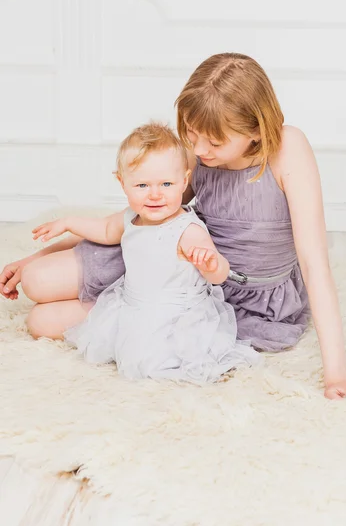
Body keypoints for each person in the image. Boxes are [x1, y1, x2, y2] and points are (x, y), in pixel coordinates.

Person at [0, 53, 346, 403]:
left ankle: (121, 318)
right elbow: (140, 213)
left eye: (214, 143)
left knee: (46, 321)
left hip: (223, 288)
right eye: (191, 134)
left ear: (255, 130)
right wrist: (39, 253)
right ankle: (106, 297)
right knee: (36, 281)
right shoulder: (202, 146)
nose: (200, 151)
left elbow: (314, 264)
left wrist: (337, 374)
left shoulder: (288, 150)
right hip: (171, 250)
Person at [29, 123, 260, 382]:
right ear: (122, 182)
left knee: (151, 359)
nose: (155, 195)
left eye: (166, 183)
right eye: (142, 185)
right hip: (130, 305)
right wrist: (68, 222)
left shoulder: (187, 229)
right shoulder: (132, 217)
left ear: (184, 181)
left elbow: (219, 275)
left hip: (172, 321)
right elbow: (105, 229)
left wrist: (210, 263)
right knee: (38, 322)